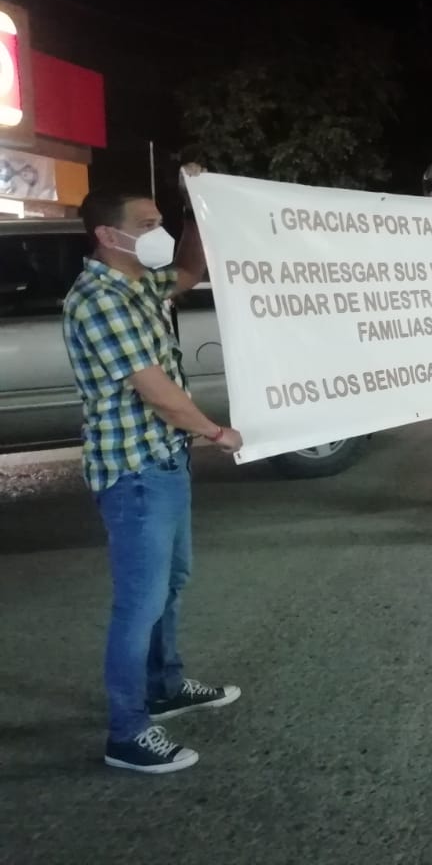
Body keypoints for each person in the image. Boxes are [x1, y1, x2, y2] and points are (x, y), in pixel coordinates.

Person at [62, 172, 243, 774]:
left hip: (164, 462)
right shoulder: (100, 300)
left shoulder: (139, 284)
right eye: (148, 225)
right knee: (138, 604)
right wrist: (215, 431)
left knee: (171, 584)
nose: (159, 233)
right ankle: (127, 733)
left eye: (161, 222)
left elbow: (188, 271)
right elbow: (155, 390)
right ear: (107, 235)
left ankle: (164, 687)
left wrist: (194, 211)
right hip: (136, 471)